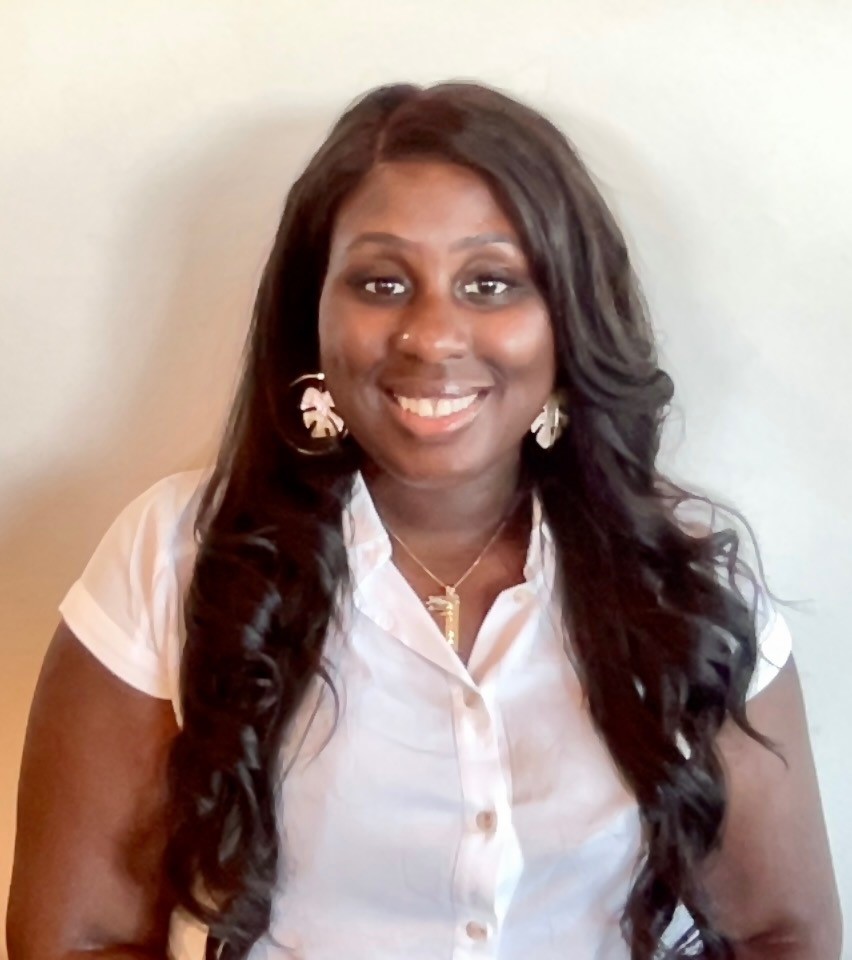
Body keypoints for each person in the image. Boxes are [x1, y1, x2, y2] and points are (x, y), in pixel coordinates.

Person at [7, 82, 841, 960]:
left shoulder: (685, 576)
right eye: (382, 282)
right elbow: (77, 940)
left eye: (491, 283)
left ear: (568, 319)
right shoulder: (176, 554)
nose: (433, 336)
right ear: (313, 313)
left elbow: (781, 933)